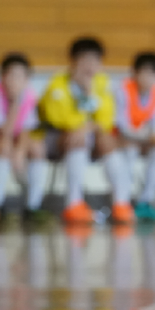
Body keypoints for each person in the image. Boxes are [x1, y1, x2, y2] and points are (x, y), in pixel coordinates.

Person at [38, 37, 127, 224]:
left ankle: (121, 203)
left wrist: (89, 94)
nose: (90, 66)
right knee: (77, 140)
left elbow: (105, 120)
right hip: (59, 138)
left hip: (90, 137)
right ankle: (74, 203)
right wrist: (83, 125)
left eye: (95, 61)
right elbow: (57, 118)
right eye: (85, 60)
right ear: (73, 61)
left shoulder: (102, 83)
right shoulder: (58, 83)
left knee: (107, 140)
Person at [0, 53, 49, 226]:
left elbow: (27, 129)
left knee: (37, 148)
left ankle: (32, 206)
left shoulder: (29, 95)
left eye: (20, 76)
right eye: (11, 75)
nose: (15, 80)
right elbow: (3, 131)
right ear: (2, 76)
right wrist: (14, 105)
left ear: (27, 79)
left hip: (10, 139)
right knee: (4, 147)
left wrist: (20, 152)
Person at [115, 52, 155, 221]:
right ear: (135, 72)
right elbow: (121, 125)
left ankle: (145, 201)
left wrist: (154, 138)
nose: (147, 77)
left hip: (143, 139)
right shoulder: (122, 90)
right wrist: (145, 137)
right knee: (129, 153)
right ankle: (124, 202)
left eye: (152, 73)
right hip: (122, 139)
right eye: (143, 72)